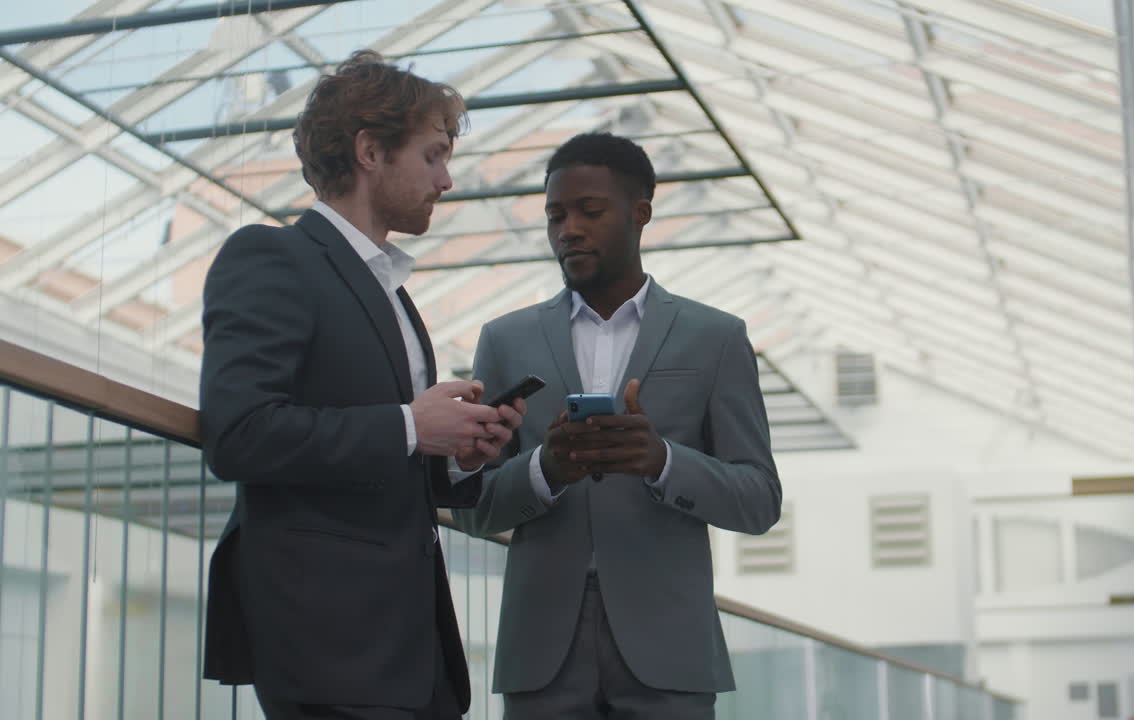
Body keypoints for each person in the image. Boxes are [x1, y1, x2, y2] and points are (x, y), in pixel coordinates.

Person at [199, 50, 525, 720]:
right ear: (370, 151)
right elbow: (238, 434)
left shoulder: (393, 295)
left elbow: (393, 462)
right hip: (326, 643)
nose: (448, 179)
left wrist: (458, 453)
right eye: (433, 156)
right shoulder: (272, 259)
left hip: (408, 647)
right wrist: (412, 425)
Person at [452, 132, 782, 718]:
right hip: (541, 653)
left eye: (590, 211)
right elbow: (473, 509)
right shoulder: (505, 340)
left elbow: (758, 501)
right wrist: (545, 469)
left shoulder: (717, 338)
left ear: (640, 214)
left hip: (670, 653)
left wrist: (662, 461)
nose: (568, 229)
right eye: (555, 215)